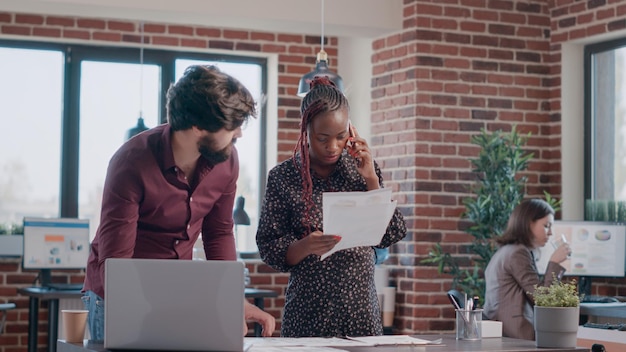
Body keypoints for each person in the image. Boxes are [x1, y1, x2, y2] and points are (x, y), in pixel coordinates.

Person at [82, 65, 275, 340]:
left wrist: (233, 301)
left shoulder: (226, 160)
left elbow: (218, 232)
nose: (239, 135)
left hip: (172, 292)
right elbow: (117, 263)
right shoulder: (131, 163)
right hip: (116, 294)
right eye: (232, 126)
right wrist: (150, 312)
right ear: (198, 127)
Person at [255, 76, 407, 337]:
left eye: (340, 136)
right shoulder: (283, 177)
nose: (333, 146)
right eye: (322, 137)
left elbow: (391, 234)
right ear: (305, 130)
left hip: (360, 311)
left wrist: (371, 178)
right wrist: (305, 245)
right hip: (307, 313)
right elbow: (269, 247)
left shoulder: (362, 169)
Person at [483, 198, 571, 340]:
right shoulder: (518, 253)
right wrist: (554, 262)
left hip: (503, 330)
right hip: (516, 333)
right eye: (547, 226)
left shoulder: (507, 250)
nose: (550, 233)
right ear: (529, 223)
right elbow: (543, 299)